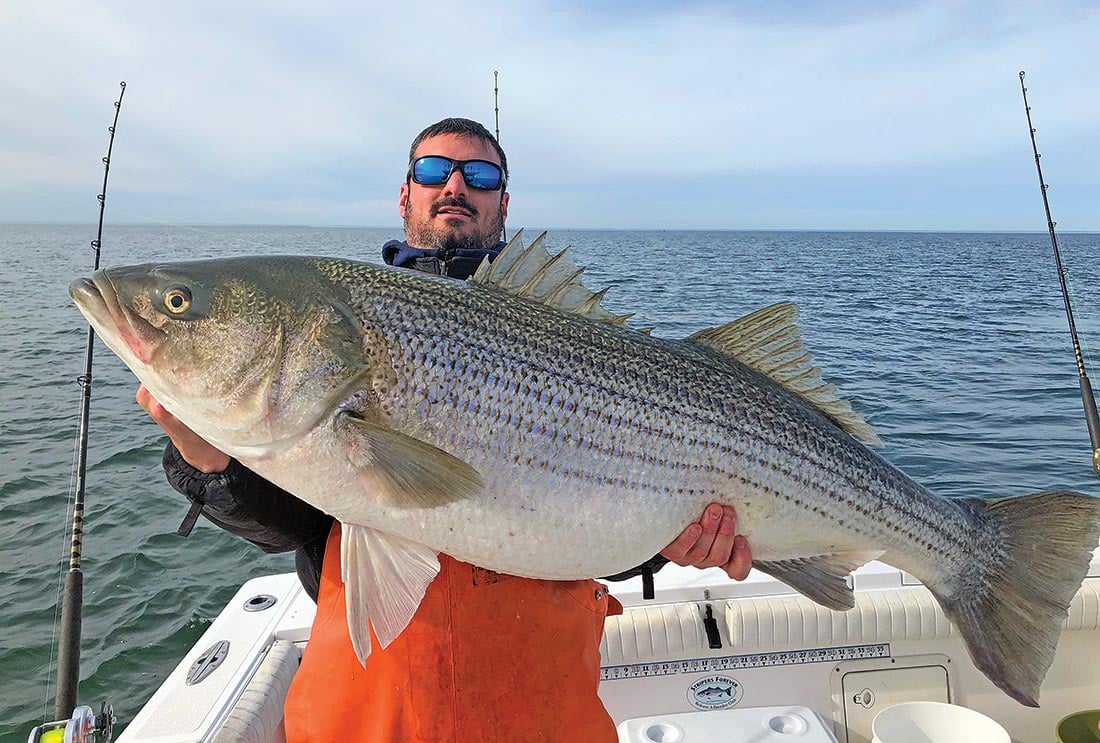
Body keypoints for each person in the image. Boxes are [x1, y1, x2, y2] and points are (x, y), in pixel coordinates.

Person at [137, 118, 752, 742]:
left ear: (502, 204)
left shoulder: (568, 335)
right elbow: (288, 527)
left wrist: (670, 542)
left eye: (480, 176)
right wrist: (209, 465)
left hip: (543, 709)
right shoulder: (337, 324)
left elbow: (597, 522)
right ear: (405, 194)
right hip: (371, 712)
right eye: (434, 171)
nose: (456, 184)